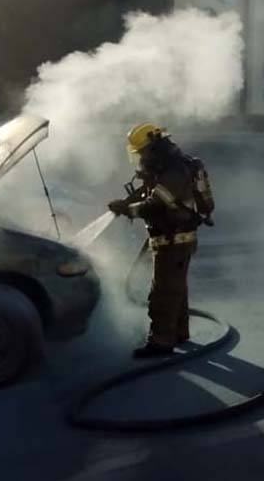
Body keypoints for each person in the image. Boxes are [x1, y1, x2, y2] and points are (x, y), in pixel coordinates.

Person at [107, 123, 212, 358]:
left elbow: (156, 203)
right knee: (176, 289)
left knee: (163, 293)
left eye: (143, 152)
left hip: (174, 239)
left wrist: (128, 210)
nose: (141, 158)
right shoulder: (168, 167)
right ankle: (179, 332)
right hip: (175, 237)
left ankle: (161, 342)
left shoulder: (174, 170)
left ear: (154, 148)